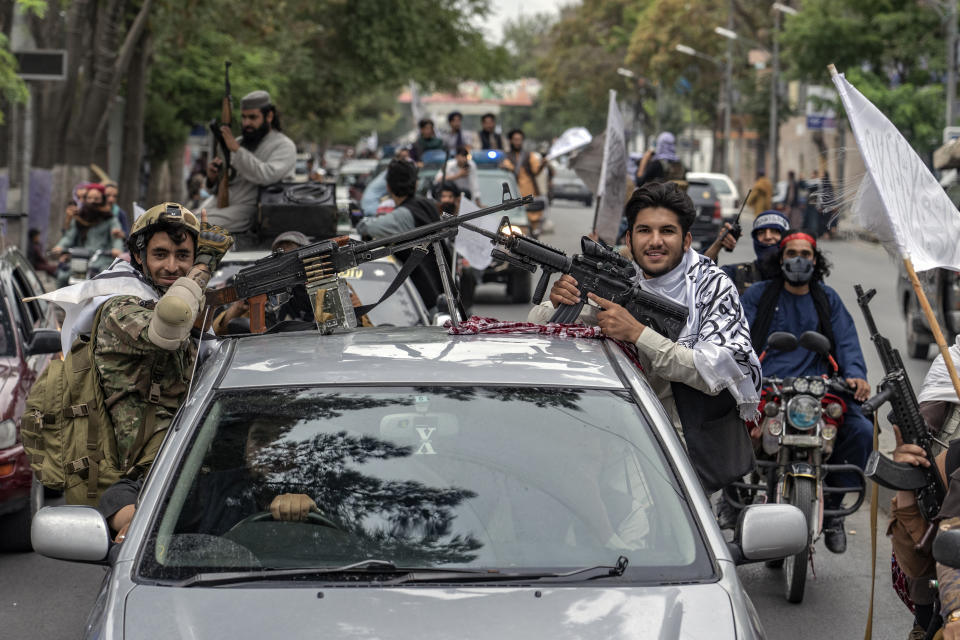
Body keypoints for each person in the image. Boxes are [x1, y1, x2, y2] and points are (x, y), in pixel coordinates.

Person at [529, 182, 761, 491]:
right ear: (629, 237)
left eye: (667, 231)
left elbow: (715, 372)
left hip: (685, 451)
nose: (655, 242)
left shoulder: (712, 288)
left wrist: (638, 334)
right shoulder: (618, 276)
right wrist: (559, 302)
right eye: (644, 231)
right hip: (611, 446)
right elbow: (541, 333)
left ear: (687, 239)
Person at [739, 231, 872, 553]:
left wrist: (855, 376)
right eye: (792, 253)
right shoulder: (758, 295)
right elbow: (738, 338)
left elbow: (847, 343)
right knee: (723, 424)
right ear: (780, 258)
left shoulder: (827, 299)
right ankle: (734, 501)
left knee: (862, 431)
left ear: (815, 260)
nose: (799, 260)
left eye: (806, 254)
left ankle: (835, 512)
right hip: (766, 388)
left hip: (820, 392)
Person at [99, 420, 317, 542]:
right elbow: (120, 494)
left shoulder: (334, 489)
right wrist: (144, 520)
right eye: (261, 439)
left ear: (304, 449)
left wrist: (312, 509)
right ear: (246, 448)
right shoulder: (212, 489)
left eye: (285, 440)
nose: (271, 451)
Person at [202, 90, 297, 242]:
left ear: (269, 116)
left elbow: (266, 175)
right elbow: (221, 184)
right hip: (220, 205)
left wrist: (236, 151)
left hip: (250, 211)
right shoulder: (238, 143)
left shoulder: (284, 146)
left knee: (195, 225)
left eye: (252, 117)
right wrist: (212, 178)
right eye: (244, 117)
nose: (246, 123)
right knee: (177, 219)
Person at [356, 159, 450, 310]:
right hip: (441, 287)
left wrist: (360, 220)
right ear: (416, 184)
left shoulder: (403, 215)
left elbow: (367, 228)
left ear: (388, 187)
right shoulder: (427, 205)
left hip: (425, 299)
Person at [51, 183, 124, 286]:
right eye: (89, 198)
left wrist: (117, 249)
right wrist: (60, 247)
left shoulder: (110, 219)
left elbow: (116, 238)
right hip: (80, 258)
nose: (92, 201)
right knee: (62, 277)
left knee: (105, 280)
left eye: (96, 199)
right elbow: (68, 237)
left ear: (102, 200)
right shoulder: (79, 218)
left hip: (102, 259)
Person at [702, 210, 789, 295]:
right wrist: (718, 244)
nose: (768, 236)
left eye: (775, 231)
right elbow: (700, 278)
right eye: (761, 232)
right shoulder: (736, 274)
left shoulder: (796, 277)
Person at [500, 129, 544, 200]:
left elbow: (536, 171)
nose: (518, 142)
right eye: (515, 140)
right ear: (511, 140)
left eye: (520, 140)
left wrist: (543, 164)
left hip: (528, 192)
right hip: (512, 193)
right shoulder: (505, 155)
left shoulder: (529, 155)